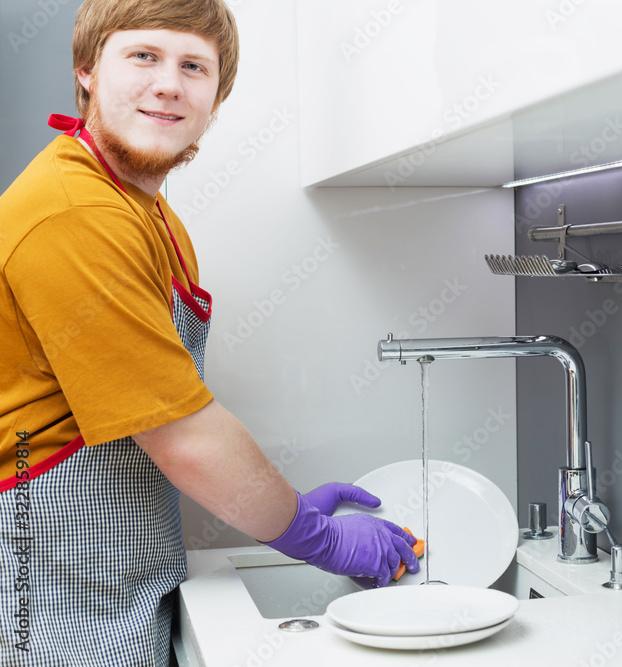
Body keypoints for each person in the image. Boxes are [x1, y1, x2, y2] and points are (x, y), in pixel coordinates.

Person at [0, 1, 418, 664]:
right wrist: (318, 537)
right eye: (144, 56)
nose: (170, 83)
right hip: (47, 582)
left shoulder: (144, 210)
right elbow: (186, 439)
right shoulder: (73, 212)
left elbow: (164, 405)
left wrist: (282, 506)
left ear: (216, 97)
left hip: (108, 579)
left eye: (194, 66)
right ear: (86, 71)